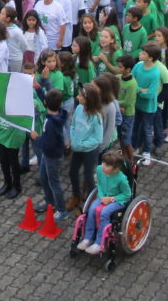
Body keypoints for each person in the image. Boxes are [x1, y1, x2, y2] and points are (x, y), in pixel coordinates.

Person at [76, 150, 132, 255]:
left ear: (115, 169)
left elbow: (127, 194)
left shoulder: (121, 179)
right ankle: (88, 238)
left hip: (118, 200)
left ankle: (99, 243)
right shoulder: (99, 170)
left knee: (105, 213)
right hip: (103, 196)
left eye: (107, 165)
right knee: (91, 209)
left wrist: (111, 199)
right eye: (103, 163)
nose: (103, 166)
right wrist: (102, 197)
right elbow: (100, 185)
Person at [33, 88, 70, 221]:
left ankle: (61, 210)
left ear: (45, 103)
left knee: (54, 183)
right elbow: (48, 100)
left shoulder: (50, 124)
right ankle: (49, 201)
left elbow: (46, 143)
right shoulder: (59, 113)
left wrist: (36, 138)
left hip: (52, 156)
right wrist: (38, 88)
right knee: (43, 178)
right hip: (48, 154)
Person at [67, 83, 105, 213]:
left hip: (89, 151)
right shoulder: (79, 109)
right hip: (77, 148)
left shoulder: (96, 117)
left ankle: (90, 204)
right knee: (72, 172)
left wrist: (82, 144)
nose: (77, 97)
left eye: (80, 96)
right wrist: (73, 139)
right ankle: (76, 196)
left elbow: (98, 139)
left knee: (88, 177)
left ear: (88, 99)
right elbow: (73, 125)